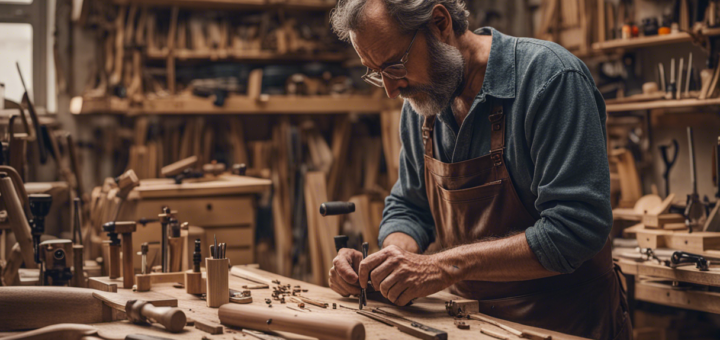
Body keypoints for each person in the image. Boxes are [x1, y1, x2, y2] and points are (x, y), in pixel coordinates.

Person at [326, 1, 632, 339]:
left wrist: (442, 267)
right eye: (375, 72)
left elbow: (576, 230)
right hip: (468, 326)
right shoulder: (421, 105)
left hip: (565, 324)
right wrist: (392, 259)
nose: (390, 88)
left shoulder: (550, 78)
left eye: (395, 65)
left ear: (440, 24)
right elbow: (410, 207)